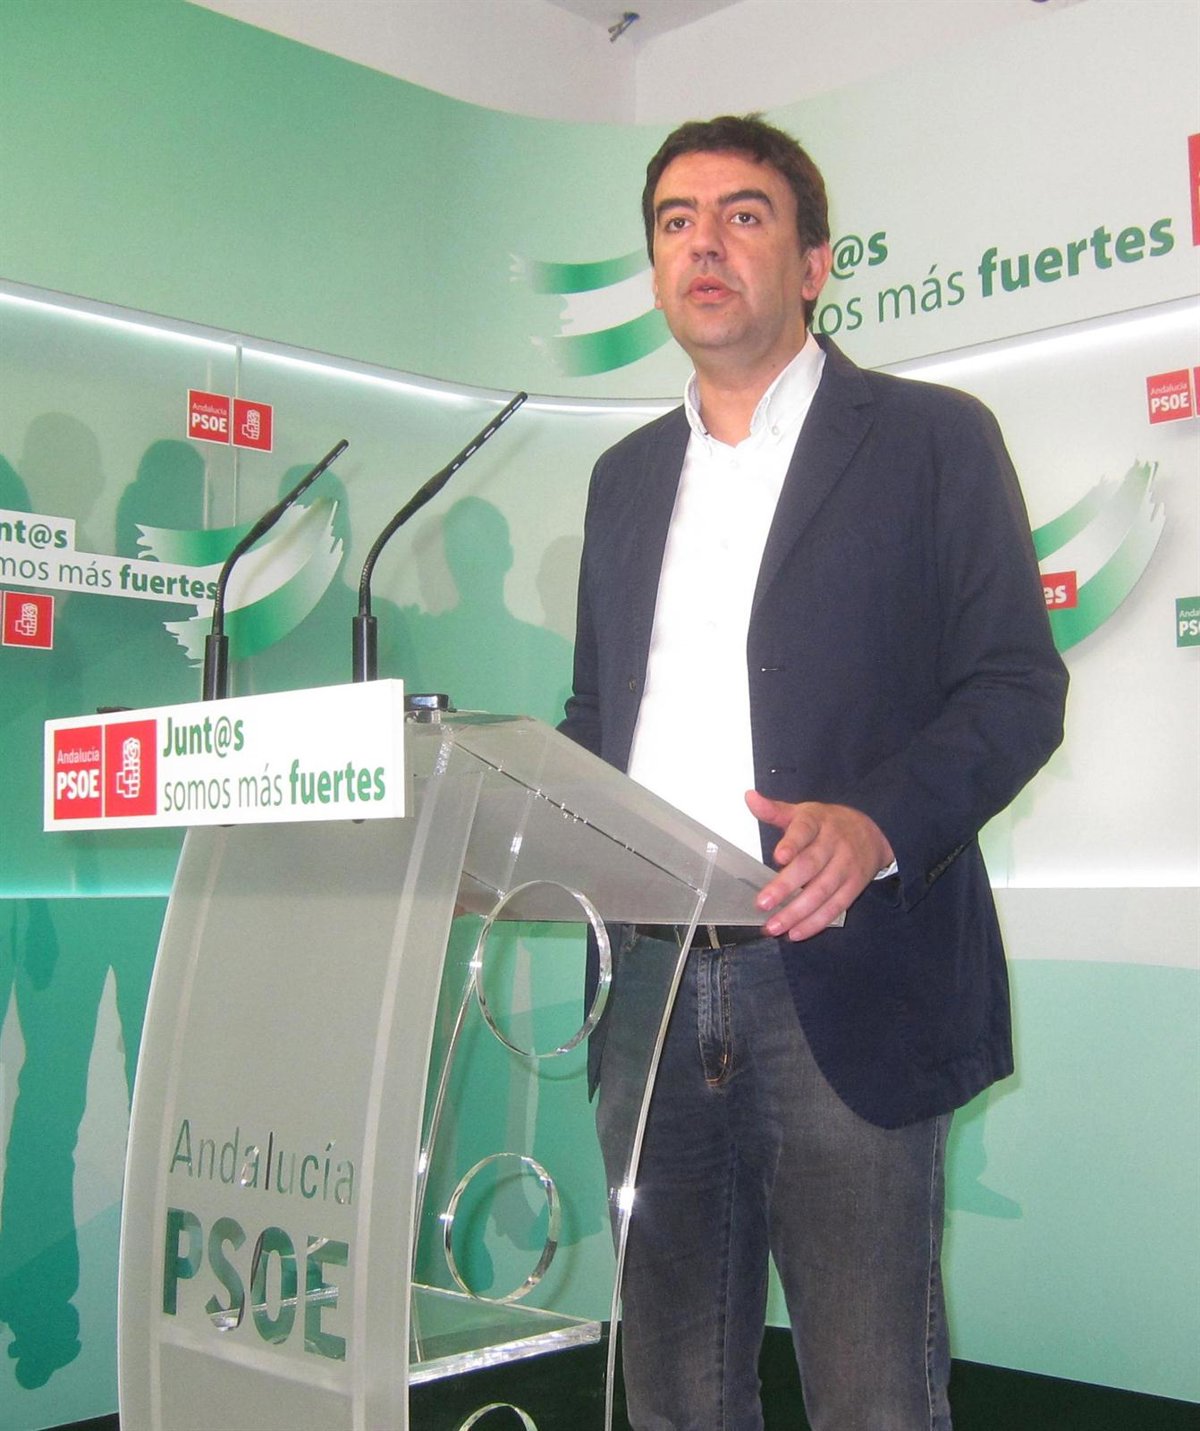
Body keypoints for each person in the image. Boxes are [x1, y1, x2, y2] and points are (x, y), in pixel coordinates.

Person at [559, 115, 1068, 1431]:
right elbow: (598, 712)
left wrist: (878, 824)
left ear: (814, 262)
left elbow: (1016, 689)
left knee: (872, 1397)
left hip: (843, 972)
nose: (704, 245)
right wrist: (535, 836)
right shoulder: (623, 480)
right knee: (673, 1396)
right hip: (648, 983)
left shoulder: (931, 440)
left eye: (743, 216)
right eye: (675, 222)